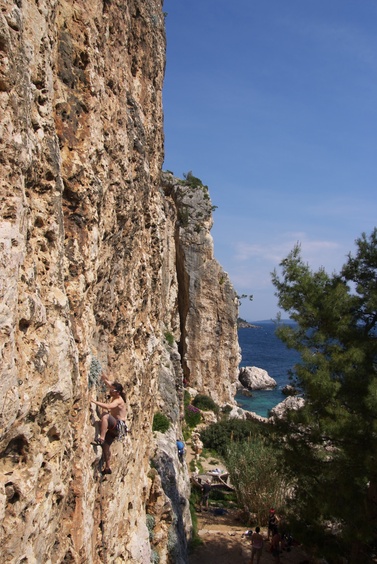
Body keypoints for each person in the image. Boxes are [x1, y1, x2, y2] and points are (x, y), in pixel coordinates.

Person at [90, 372, 127, 474]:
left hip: (118, 425)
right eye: (111, 389)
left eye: (113, 390)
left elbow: (109, 407)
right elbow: (110, 384)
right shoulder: (115, 392)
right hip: (115, 427)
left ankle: (101, 438)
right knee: (106, 446)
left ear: (118, 392)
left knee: (105, 415)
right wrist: (104, 379)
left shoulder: (118, 400)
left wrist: (94, 402)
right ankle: (107, 467)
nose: (110, 391)